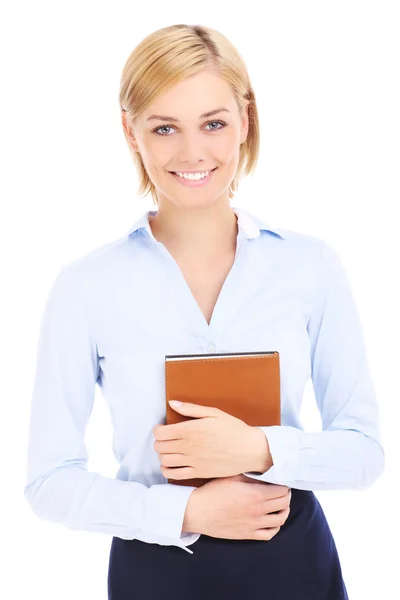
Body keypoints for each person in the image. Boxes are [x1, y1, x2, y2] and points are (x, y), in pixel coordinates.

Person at [24, 24, 385, 600]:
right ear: (130, 131)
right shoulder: (86, 287)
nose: (192, 152)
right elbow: (48, 482)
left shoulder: (309, 267)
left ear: (245, 120)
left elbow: (365, 454)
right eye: (164, 127)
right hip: (155, 574)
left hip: (294, 567)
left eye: (213, 123)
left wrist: (260, 450)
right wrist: (186, 510)